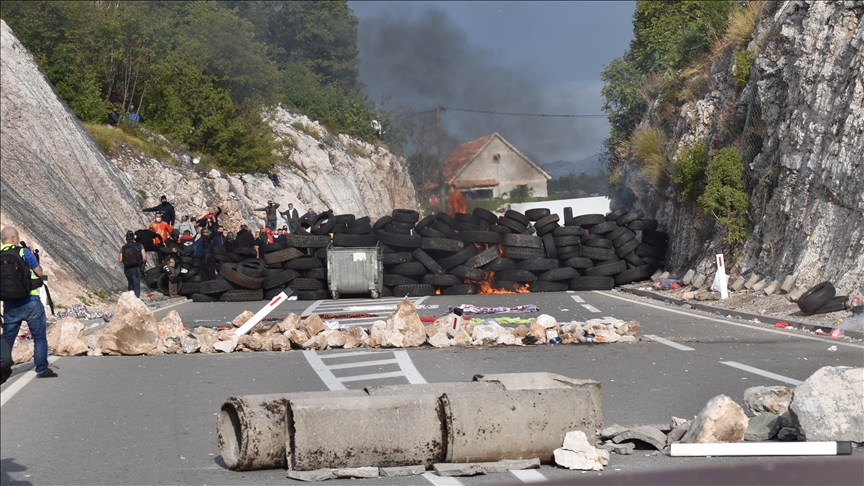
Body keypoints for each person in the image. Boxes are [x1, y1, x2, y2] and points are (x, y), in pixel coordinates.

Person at [0, 226, 56, 378]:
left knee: (8, 339)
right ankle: (42, 369)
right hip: (30, 300)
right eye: (16, 237)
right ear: (13, 239)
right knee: (39, 337)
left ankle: (2, 369)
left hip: (10, 304)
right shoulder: (23, 252)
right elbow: (39, 272)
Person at [119, 230, 146, 298]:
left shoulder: (123, 248)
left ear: (126, 239)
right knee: (136, 285)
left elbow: (120, 259)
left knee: (130, 286)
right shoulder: (139, 245)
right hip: (136, 269)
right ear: (134, 238)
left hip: (128, 270)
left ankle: (131, 300)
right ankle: (136, 300)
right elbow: (144, 257)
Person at [159, 230, 182, 297]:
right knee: (171, 277)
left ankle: (175, 292)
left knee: (176, 276)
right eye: (175, 237)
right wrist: (171, 250)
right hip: (170, 260)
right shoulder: (167, 241)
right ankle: (171, 292)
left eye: (177, 237)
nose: (176, 238)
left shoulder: (177, 242)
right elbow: (161, 248)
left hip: (176, 260)